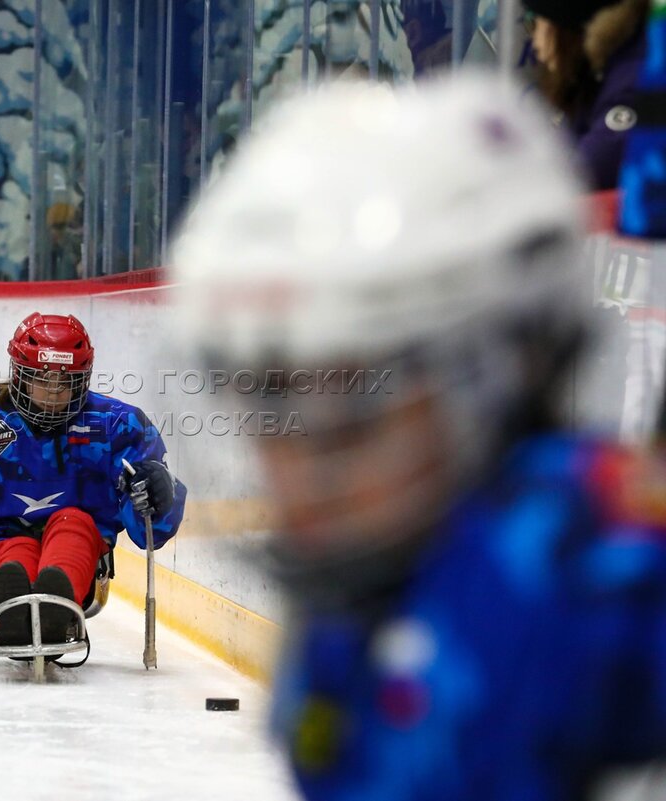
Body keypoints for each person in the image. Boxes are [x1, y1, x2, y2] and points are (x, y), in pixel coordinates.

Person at [170, 74, 666, 798]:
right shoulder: (346, 620)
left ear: (505, 372)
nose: (298, 474)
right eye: (268, 410)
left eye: (352, 411)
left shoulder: (609, 592)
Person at [0, 312, 186, 646]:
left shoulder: (118, 425)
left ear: (83, 380)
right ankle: (12, 606)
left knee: (73, 525)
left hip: (82, 550)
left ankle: (57, 601)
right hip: (2, 539)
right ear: (19, 374)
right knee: (12, 550)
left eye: (65, 381)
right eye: (42, 379)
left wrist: (157, 492)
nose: (53, 393)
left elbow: (153, 525)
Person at [525, 0, 647, 189]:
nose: (534, 42)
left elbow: (585, 172)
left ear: (566, 25)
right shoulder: (596, 74)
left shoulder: (632, 82)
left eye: (535, 22)